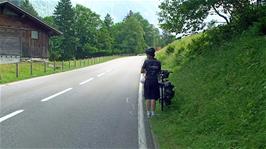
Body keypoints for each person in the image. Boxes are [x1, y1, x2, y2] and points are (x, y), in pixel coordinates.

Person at [141, 48, 161, 118]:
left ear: (149, 55)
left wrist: (146, 71)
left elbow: (142, 71)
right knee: (153, 97)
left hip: (148, 81)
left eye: (147, 54)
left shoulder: (146, 62)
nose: (146, 56)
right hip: (155, 81)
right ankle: (153, 113)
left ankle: (148, 113)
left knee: (147, 97)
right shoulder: (158, 62)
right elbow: (159, 72)